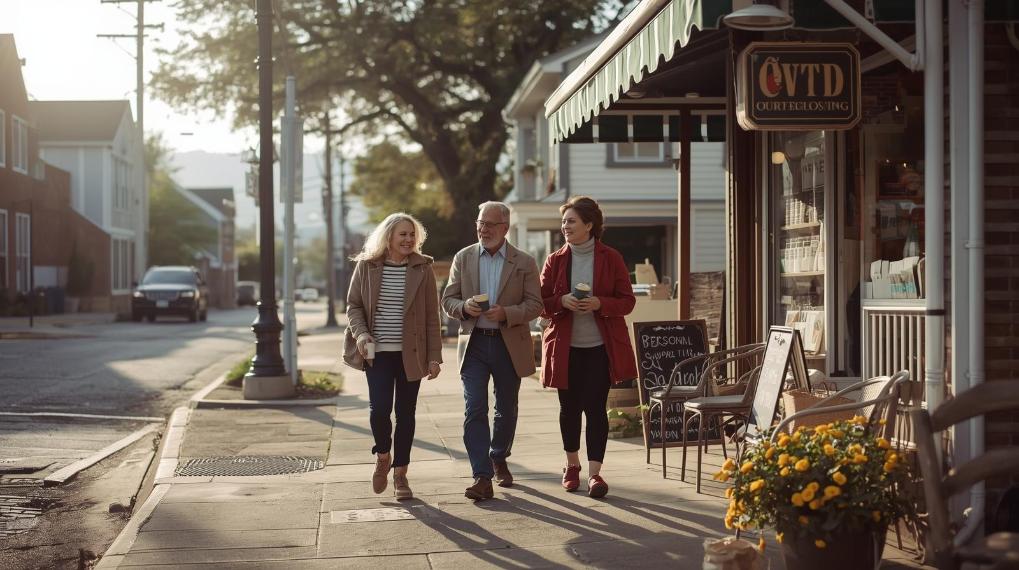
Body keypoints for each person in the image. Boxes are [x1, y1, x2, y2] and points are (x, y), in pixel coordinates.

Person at [441, 201, 543, 501]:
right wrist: (464, 307)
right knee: (474, 408)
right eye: (480, 223)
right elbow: (447, 300)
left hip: (508, 343)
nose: (483, 229)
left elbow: (535, 305)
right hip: (473, 344)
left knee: (506, 408)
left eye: (489, 224)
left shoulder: (524, 261)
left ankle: (499, 455)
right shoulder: (464, 257)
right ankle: (481, 476)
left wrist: (507, 313)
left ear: (504, 227)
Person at [539, 196, 637, 498]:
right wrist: (560, 302)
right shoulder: (555, 259)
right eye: (564, 221)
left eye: (571, 221)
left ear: (589, 225)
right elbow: (539, 302)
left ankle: (595, 474)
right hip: (565, 347)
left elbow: (627, 301)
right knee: (568, 409)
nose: (564, 226)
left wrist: (600, 303)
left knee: (596, 410)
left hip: (599, 346)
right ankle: (572, 466)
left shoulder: (611, 258)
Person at [344, 213, 442, 501]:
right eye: (403, 234)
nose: (409, 239)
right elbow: (353, 306)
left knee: (406, 414)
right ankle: (383, 455)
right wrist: (361, 334)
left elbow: (431, 317)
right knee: (379, 410)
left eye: (412, 235)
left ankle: (401, 473)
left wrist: (434, 356)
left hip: (411, 354)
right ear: (388, 236)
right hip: (378, 354)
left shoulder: (422, 268)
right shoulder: (367, 266)